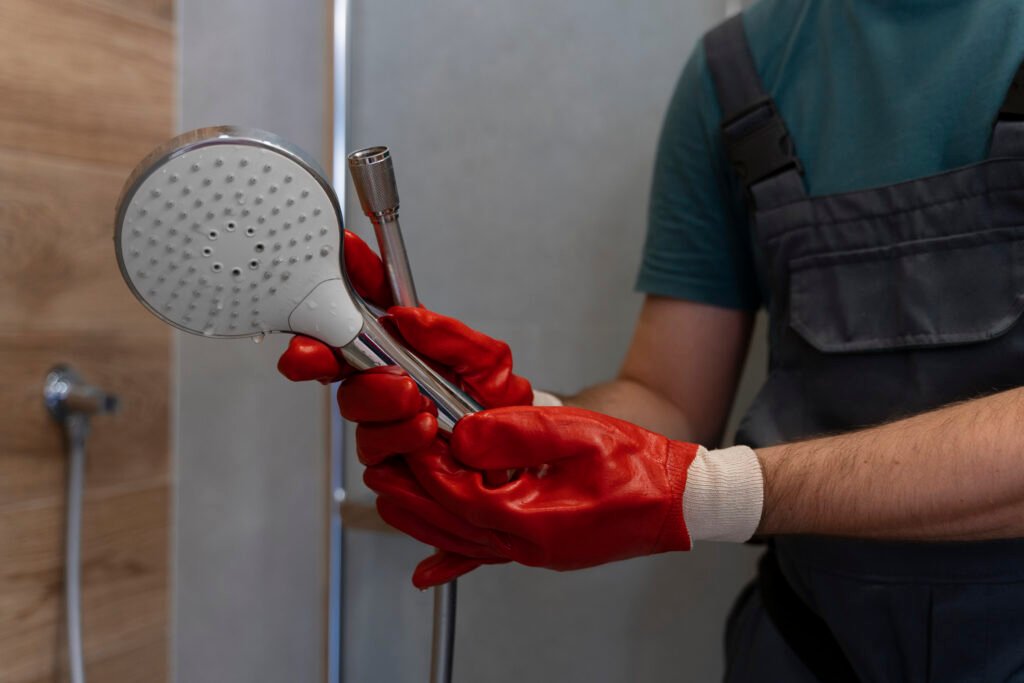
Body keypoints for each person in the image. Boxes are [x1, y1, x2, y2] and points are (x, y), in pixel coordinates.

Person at [279, 1, 1024, 680]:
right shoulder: (737, 70)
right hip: (811, 649)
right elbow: (668, 400)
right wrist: (517, 425)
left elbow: (689, 476)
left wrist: (710, 493)